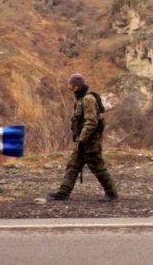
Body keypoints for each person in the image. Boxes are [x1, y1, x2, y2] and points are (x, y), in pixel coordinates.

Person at [48, 73, 118, 202]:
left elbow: (91, 121)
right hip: (83, 141)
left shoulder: (88, 99)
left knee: (97, 167)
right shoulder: (80, 98)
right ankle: (64, 192)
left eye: (70, 84)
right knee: (73, 165)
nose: (68, 86)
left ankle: (112, 193)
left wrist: (82, 139)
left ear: (76, 86)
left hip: (90, 142)